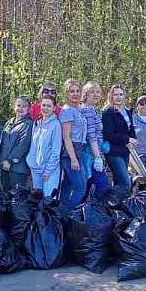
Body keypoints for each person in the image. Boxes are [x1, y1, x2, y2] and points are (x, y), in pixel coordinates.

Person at [58, 79, 89, 207]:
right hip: (71, 151)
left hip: (80, 148)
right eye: (72, 91)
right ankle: (70, 216)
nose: (75, 94)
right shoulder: (67, 111)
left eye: (77, 91)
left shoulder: (78, 110)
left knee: (67, 186)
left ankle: (62, 216)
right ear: (66, 94)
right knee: (81, 188)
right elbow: (66, 137)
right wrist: (73, 159)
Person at [101, 84, 138, 188]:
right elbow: (109, 134)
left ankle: (117, 203)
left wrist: (133, 139)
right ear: (111, 96)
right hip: (113, 152)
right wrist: (128, 139)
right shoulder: (108, 112)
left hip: (125, 151)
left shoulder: (127, 111)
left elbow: (131, 128)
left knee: (118, 182)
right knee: (126, 182)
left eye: (120, 94)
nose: (118, 97)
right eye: (115, 94)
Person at [79, 81, 111, 196]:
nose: (96, 94)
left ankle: (85, 210)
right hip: (90, 156)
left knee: (87, 187)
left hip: (95, 152)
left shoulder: (93, 110)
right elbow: (91, 136)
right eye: (92, 92)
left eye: (98, 92)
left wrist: (103, 145)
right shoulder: (87, 111)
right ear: (85, 94)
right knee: (102, 185)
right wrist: (97, 158)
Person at [27, 96, 63, 196]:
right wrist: (31, 162)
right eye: (43, 105)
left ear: (54, 108)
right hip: (36, 169)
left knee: (48, 201)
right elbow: (33, 146)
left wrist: (48, 171)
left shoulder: (56, 125)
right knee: (37, 201)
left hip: (50, 171)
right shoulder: (37, 124)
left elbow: (56, 150)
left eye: (49, 106)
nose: (45, 108)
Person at [0, 96, 34, 191]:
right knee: (4, 196)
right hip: (4, 166)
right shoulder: (9, 122)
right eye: (18, 105)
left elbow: (23, 146)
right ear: (14, 107)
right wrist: (1, 160)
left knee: (16, 198)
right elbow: (2, 142)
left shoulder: (28, 124)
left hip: (18, 169)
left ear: (29, 108)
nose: (20, 108)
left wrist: (10, 161)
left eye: (24, 106)